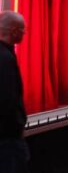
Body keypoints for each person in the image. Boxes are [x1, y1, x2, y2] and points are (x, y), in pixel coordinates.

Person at [0, 11, 29, 172]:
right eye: (22, 29)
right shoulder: (6, 59)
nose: (24, 32)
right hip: (8, 139)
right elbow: (8, 100)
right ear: (13, 31)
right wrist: (17, 126)